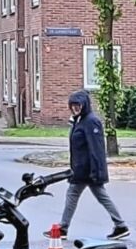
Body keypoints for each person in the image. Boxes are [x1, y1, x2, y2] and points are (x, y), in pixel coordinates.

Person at [49, 90, 129, 241]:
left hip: (87, 171)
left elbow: (96, 148)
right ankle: (120, 225)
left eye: (78, 105)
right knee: (94, 196)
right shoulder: (79, 121)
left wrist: (97, 171)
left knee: (77, 195)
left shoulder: (91, 121)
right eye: (72, 106)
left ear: (84, 105)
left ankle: (63, 228)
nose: (75, 108)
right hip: (81, 169)